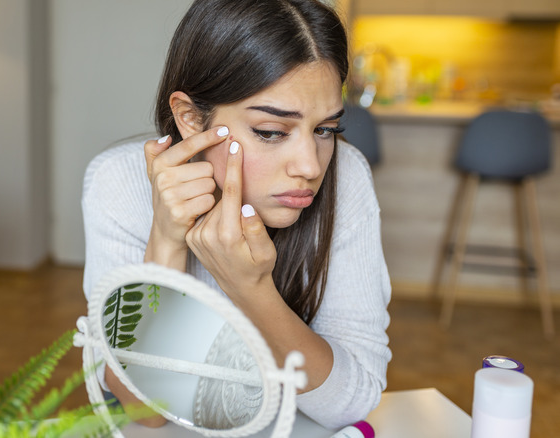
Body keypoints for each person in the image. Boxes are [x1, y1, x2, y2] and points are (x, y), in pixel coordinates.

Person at [82, 0, 391, 430]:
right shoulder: (118, 182)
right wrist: (166, 243)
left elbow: (351, 404)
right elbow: (145, 415)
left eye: (325, 129)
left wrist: (252, 288)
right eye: (271, 132)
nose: (311, 166)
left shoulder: (348, 174)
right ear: (190, 118)